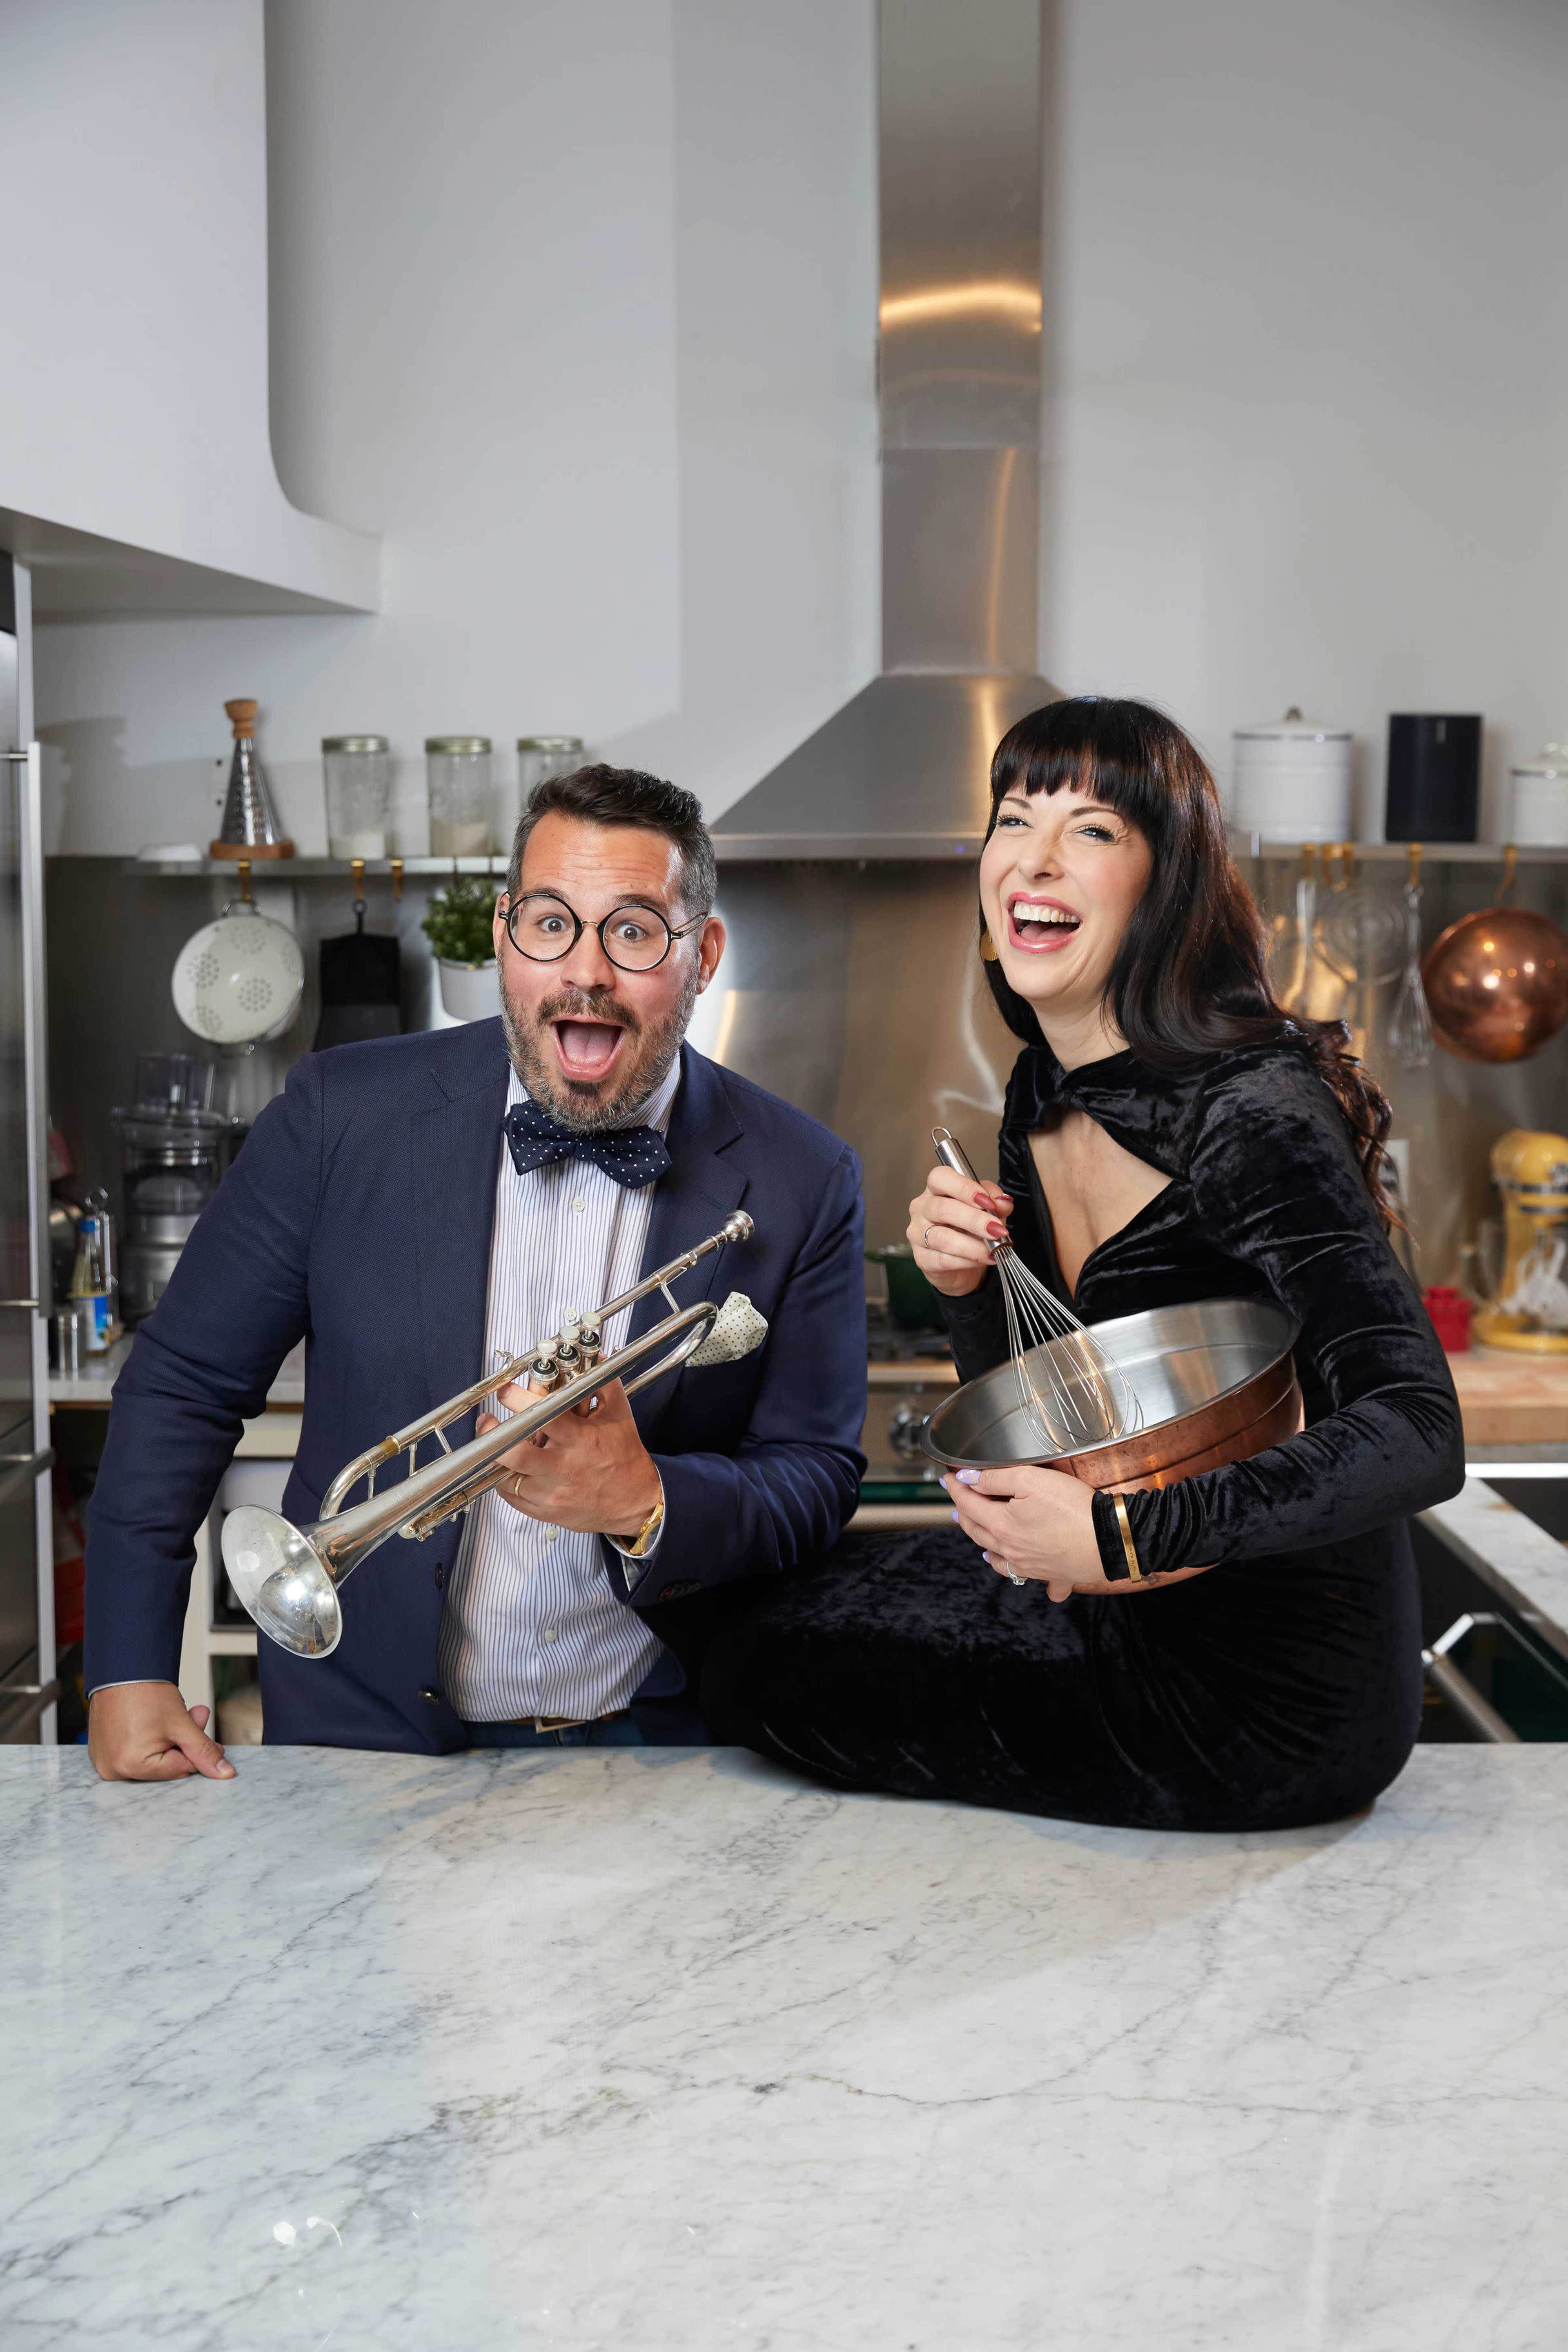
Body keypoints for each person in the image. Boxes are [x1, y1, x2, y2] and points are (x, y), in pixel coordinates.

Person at [704, 698, 1464, 1832]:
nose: (1036, 859)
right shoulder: (1041, 1089)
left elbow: (1419, 1428)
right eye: (1015, 819)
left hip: (1271, 1706)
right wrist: (968, 1289)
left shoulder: (1251, 1115)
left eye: (1094, 830)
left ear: (1166, 887)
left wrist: (1120, 1537)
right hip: (1123, 1615)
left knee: (758, 1666)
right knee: (754, 1607)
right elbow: (1041, 1416)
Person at [85, 765, 866, 1780]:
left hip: (665, 1745)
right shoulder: (336, 1114)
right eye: (551, 923)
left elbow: (814, 1477)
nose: (585, 971)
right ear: (504, 932)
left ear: (703, 954)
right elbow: (183, 1386)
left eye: (634, 932)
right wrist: (127, 1667)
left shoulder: (806, 1173)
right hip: (366, 1739)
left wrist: (648, 1503)